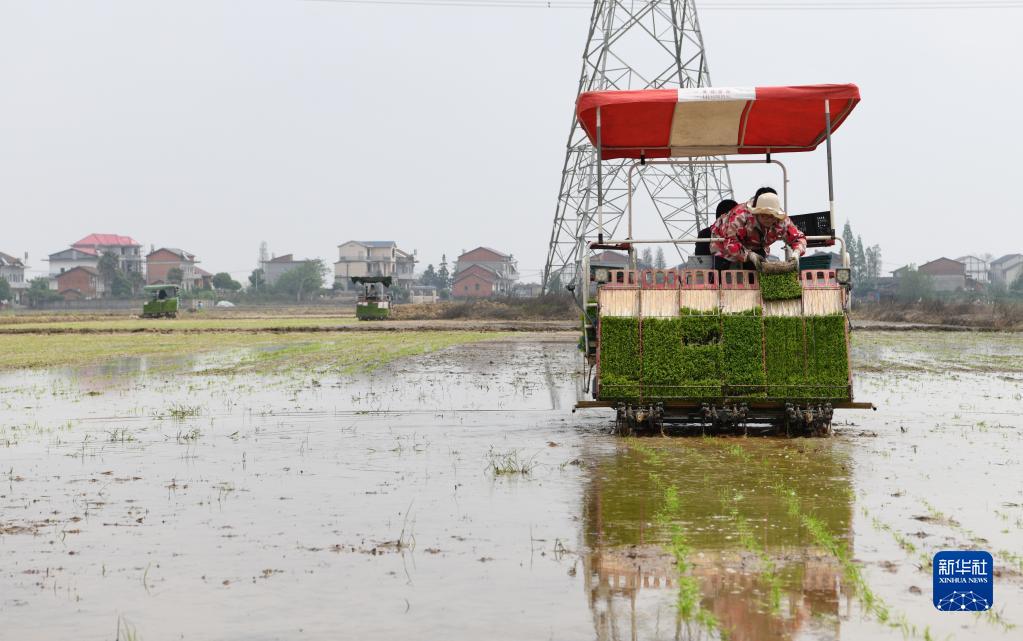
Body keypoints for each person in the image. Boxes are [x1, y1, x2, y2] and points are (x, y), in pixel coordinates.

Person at [710, 187, 806, 270]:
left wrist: (796, 253)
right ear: (756, 213)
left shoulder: (781, 220)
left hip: (757, 244)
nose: (769, 219)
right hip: (723, 241)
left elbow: (798, 238)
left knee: (757, 269)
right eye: (764, 215)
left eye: (772, 216)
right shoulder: (740, 217)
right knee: (722, 270)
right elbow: (730, 242)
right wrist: (749, 255)